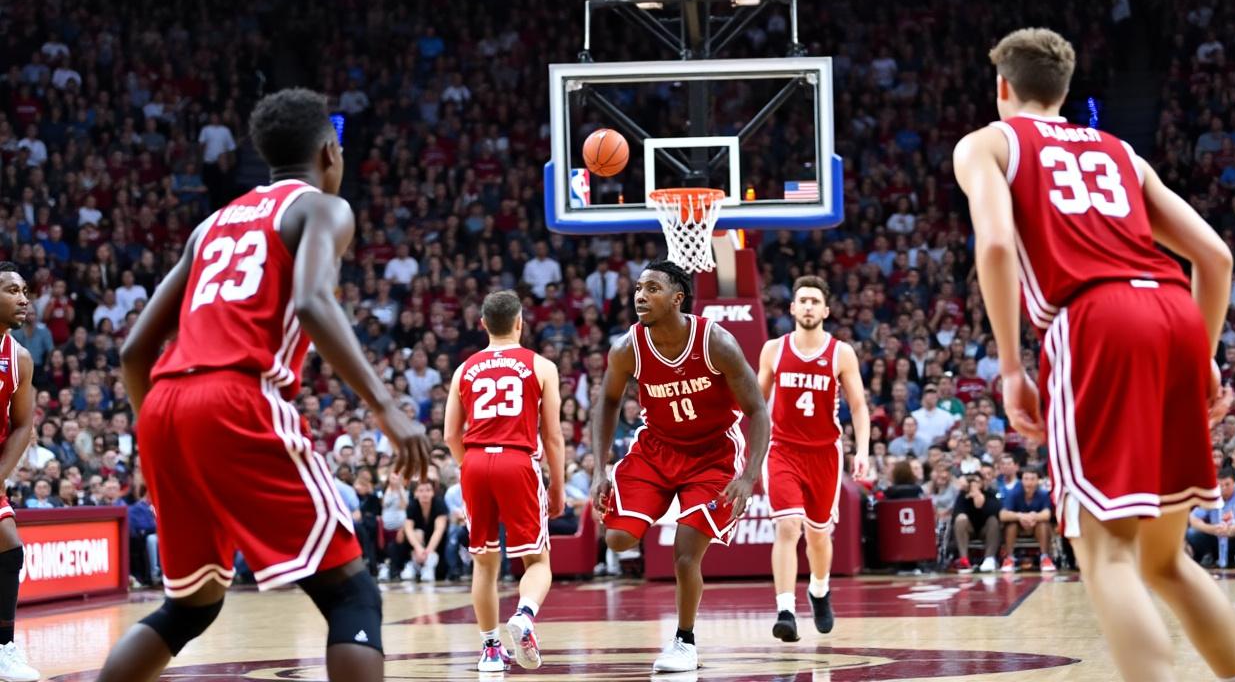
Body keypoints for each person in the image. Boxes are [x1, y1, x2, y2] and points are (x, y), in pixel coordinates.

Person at [953, 28, 1235, 682]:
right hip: (1174, 311)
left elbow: (999, 247)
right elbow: (1215, 258)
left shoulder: (988, 143)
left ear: (1003, 87)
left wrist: (1011, 367)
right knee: (1163, 560)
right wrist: (1200, 355)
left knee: (1106, 557)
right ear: (1062, 91)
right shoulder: (1120, 151)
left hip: (1095, 318)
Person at [97, 89, 432, 682]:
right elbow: (311, 301)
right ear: (331, 152)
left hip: (164, 405)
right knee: (353, 597)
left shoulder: (210, 225)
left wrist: (167, 431)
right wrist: (385, 406)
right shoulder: (321, 208)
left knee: (189, 607)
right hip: (234, 396)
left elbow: (133, 351)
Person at [589, 261, 770, 673]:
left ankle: (684, 642)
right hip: (656, 448)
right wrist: (601, 469)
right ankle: (649, 503)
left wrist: (748, 477)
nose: (640, 295)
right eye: (637, 288)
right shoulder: (626, 348)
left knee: (685, 553)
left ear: (677, 298)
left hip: (713, 454)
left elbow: (758, 411)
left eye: (651, 288)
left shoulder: (716, 342)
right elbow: (608, 403)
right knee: (617, 539)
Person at [444, 290, 564, 672]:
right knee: (537, 560)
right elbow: (554, 437)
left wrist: (471, 467)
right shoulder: (542, 366)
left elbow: (449, 435)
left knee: (484, 563)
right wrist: (557, 486)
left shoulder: (463, 369)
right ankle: (525, 616)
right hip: (517, 461)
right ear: (519, 323)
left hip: (476, 461)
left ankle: (490, 649)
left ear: (482, 325)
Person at [756, 276, 870, 642]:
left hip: (824, 453)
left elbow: (858, 406)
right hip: (783, 450)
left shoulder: (841, 353)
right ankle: (785, 610)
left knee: (819, 536)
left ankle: (819, 590)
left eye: (814, 301)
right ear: (792, 308)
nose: (807, 306)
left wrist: (864, 451)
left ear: (825, 310)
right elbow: (757, 406)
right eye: (801, 299)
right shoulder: (773, 350)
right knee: (788, 526)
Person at [0, 263, 40, 681]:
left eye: (25, 291)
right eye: (13, 290)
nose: (23, 298)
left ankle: (3, 649)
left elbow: (23, 423)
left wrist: (0, 475)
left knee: (9, 546)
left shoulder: (20, 358)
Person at [999, 464, 1055, 572]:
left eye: (1033, 479)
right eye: (1026, 479)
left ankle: (1045, 558)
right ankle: (1009, 558)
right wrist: (1020, 516)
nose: (1029, 482)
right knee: (1011, 525)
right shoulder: (1013, 493)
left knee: (1043, 524)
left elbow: (1047, 514)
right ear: (1021, 480)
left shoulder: (1043, 494)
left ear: (1038, 480)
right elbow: (1003, 514)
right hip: (1018, 527)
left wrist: (1034, 517)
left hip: (1036, 527)